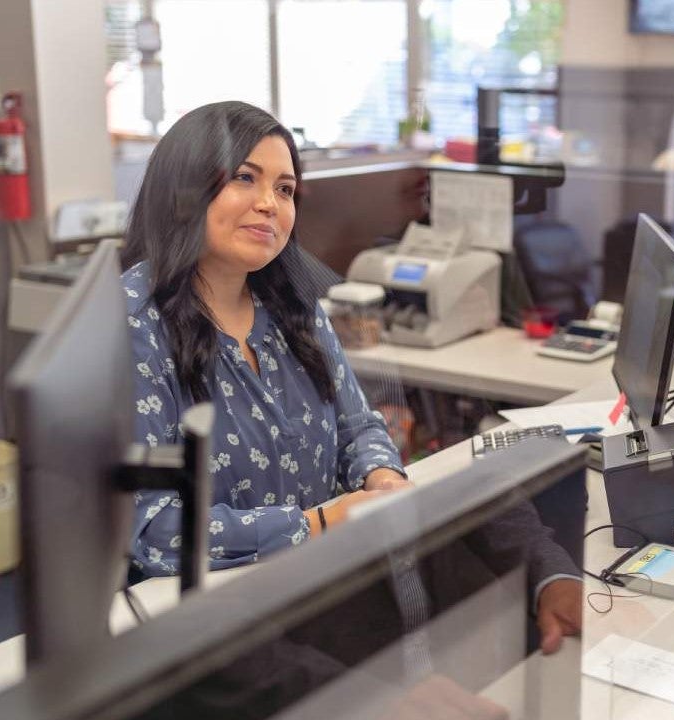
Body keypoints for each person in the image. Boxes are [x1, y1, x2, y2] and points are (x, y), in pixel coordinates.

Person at [121, 100, 580, 653]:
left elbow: (358, 427)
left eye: (286, 189)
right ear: (186, 188)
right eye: (246, 178)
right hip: (221, 624)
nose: (270, 204)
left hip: (323, 582)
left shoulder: (291, 304)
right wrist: (318, 524)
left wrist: (382, 478)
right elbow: (153, 530)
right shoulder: (132, 326)